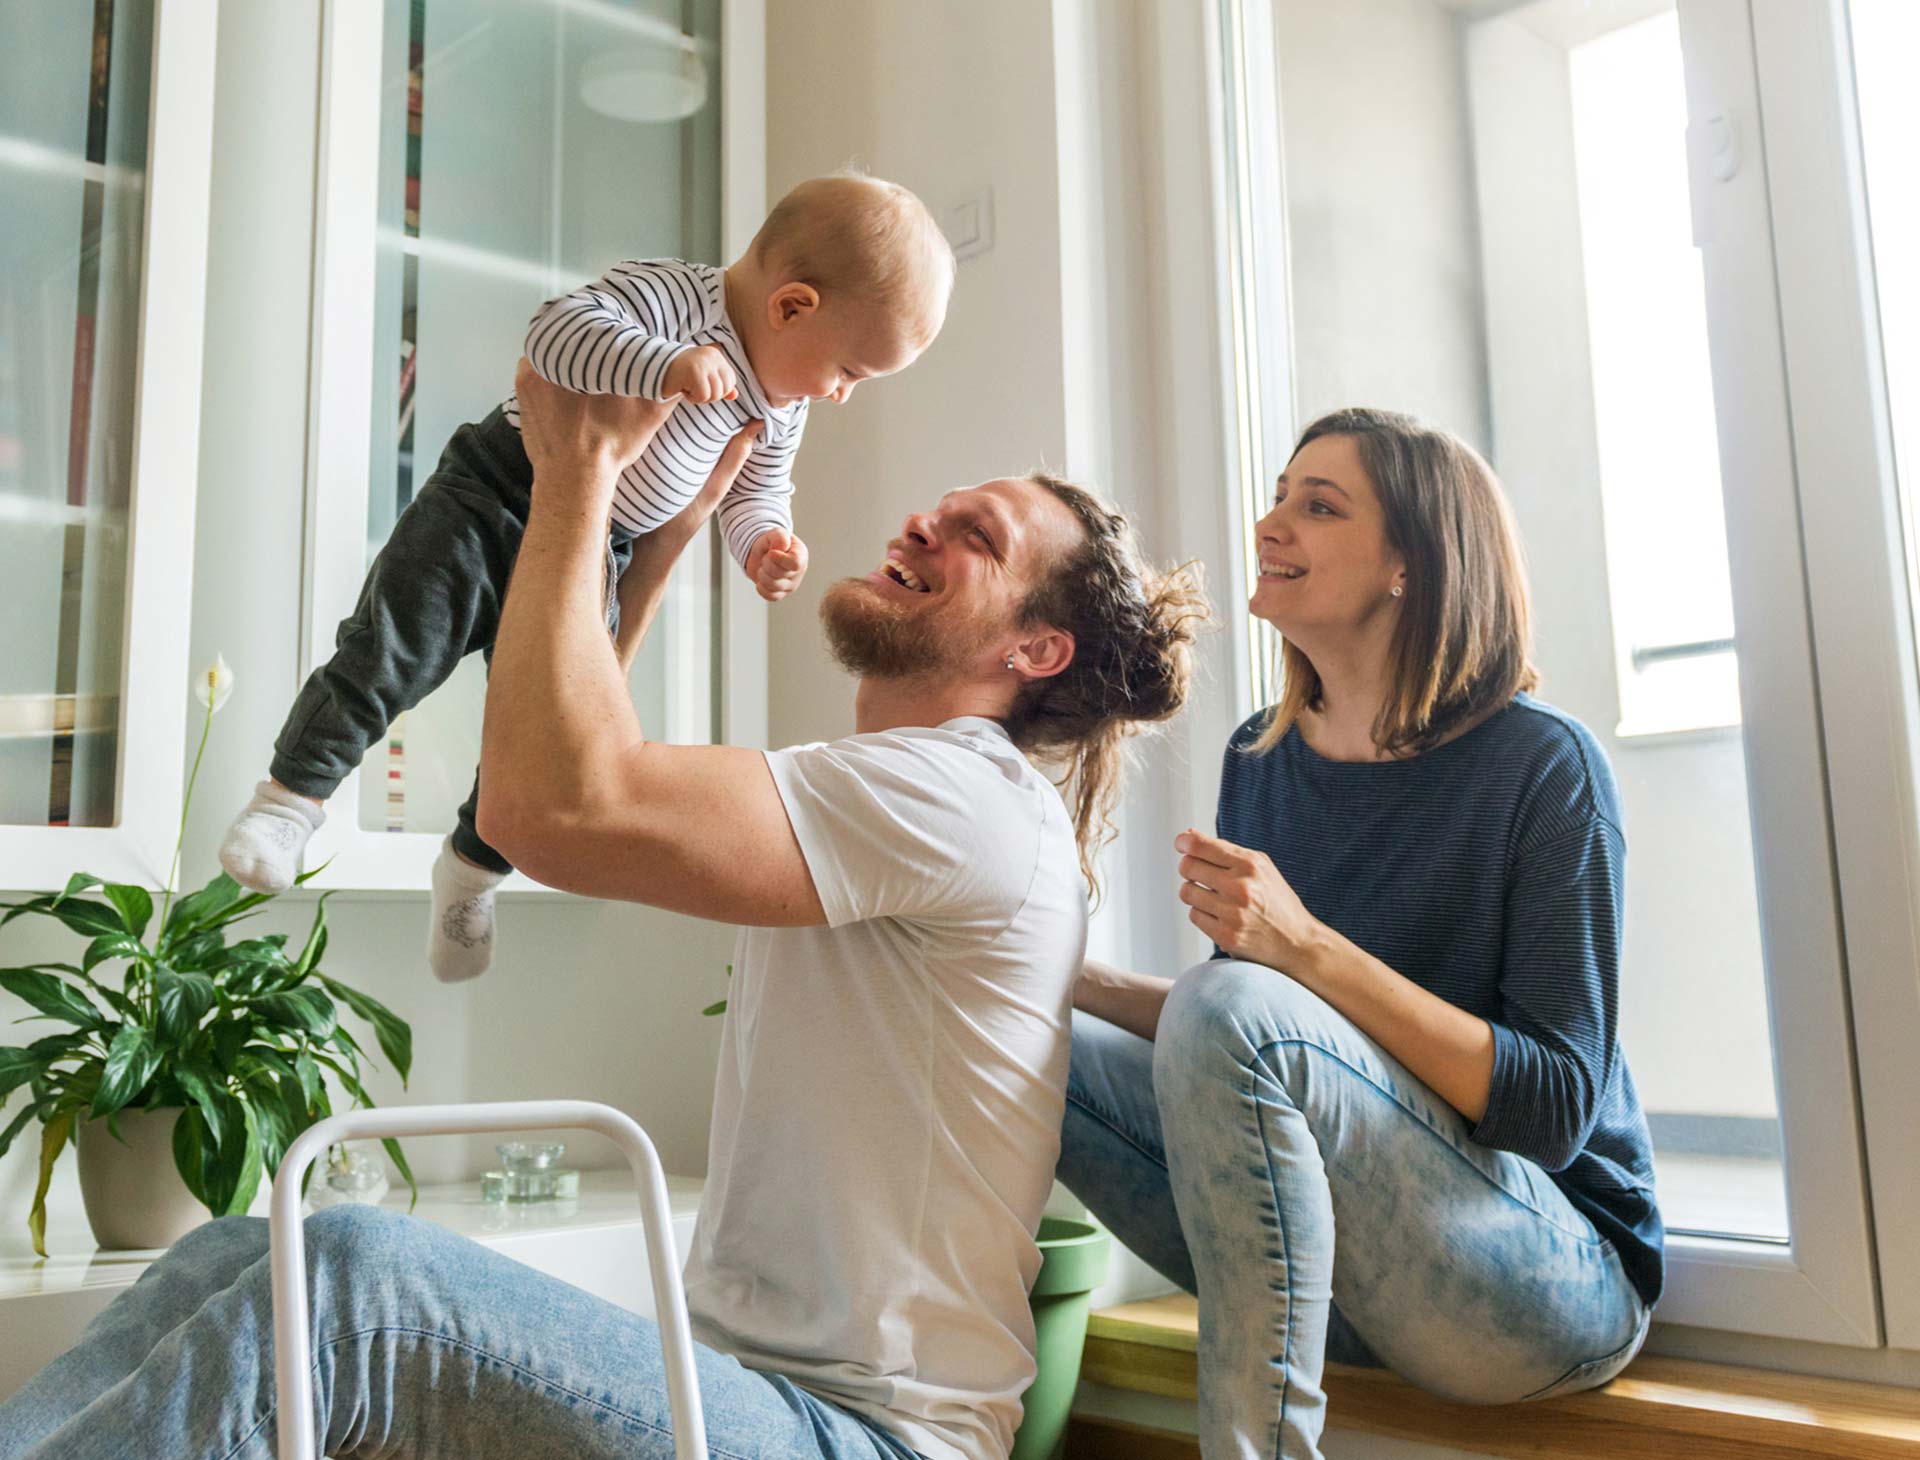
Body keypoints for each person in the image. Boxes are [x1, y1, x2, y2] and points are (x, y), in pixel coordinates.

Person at [0, 366, 1207, 1460]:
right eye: (940, 505)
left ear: (1035, 648)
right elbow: (567, 757)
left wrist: (583, 467)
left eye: (975, 533)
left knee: (351, 1282)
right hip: (743, 1388)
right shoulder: (905, 795)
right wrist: (669, 532)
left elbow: (550, 805)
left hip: (865, 1437)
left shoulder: (964, 791)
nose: (921, 519)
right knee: (234, 1251)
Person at [1059, 408, 1662, 1460]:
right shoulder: (1262, 751)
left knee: (1237, 995)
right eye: (1281, 494)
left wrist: (1305, 950)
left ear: (1410, 567)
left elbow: (1555, 1107)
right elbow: (1228, 1042)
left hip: (1547, 1278)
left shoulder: (1546, 767)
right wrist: (1062, 973)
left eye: (1318, 505)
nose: (1268, 522)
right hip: (1344, 1267)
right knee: (1040, 1040)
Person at [216, 171, 956, 984]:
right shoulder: (673, 298)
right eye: (851, 369)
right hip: (496, 494)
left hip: (603, 546)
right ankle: (293, 798)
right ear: (791, 306)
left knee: (549, 739)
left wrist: (763, 542)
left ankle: (471, 870)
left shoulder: (784, 404)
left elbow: (756, 486)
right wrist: (664, 365)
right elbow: (553, 335)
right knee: (396, 647)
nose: (844, 394)